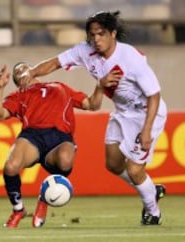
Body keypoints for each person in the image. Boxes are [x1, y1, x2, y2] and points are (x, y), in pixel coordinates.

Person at [21, 11, 168, 225]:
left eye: (101, 34)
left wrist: (146, 130)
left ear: (113, 34)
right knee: (113, 165)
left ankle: (153, 212)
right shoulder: (85, 51)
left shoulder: (131, 59)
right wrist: (32, 72)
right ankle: (151, 190)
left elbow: (154, 95)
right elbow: (55, 63)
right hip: (123, 113)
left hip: (146, 113)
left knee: (135, 170)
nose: (96, 39)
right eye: (93, 35)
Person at [0, 62, 104, 228]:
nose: (21, 70)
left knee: (65, 160)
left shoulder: (60, 87)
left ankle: (44, 198)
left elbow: (92, 104)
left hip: (60, 137)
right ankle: (18, 210)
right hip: (32, 136)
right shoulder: (19, 95)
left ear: (33, 71)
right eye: (17, 71)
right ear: (16, 80)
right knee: (11, 166)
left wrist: (100, 85)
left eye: (24, 67)